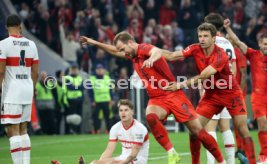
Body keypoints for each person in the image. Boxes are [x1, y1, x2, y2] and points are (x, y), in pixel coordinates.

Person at [80, 32, 225, 164]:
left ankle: (221, 161)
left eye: (123, 49)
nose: (122, 52)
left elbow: (155, 51)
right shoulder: (132, 55)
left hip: (173, 94)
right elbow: (114, 51)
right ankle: (171, 152)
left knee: (198, 132)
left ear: (130, 43)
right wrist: (95, 42)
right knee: (150, 116)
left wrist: (152, 59)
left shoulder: (143, 48)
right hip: (157, 98)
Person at [144, 22, 256, 164]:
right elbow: (172, 55)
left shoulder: (220, 55)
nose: (202, 39)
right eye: (200, 36)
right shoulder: (195, 48)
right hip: (211, 96)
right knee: (194, 130)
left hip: (231, 94)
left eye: (205, 36)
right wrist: (153, 51)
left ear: (213, 38)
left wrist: (180, 85)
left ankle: (252, 161)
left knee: (242, 129)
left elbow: (204, 76)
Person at [224, 18, 267, 162]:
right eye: (265, 44)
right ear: (260, 44)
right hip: (258, 96)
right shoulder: (253, 54)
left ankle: (265, 153)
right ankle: (264, 154)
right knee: (263, 123)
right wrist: (228, 28)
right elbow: (238, 42)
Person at [0, 14, 39, 164]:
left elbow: (1, 70)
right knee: (24, 129)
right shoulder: (32, 44)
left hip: (12, 91)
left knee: (12, 131)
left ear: (6, 27)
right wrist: (32, 87)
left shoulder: (4, 44)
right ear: (20, 25)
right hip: (27, 89)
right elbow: (35, 71)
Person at [203, 13, 236, 164]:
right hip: (228, 89)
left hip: (213, 90)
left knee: (210, 129)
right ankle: (230, 162)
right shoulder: (229, 44)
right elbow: (233, 69)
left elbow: (206, 69)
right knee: (225, 127)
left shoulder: (211, 44)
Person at [87, 99, 149, 164]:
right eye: (121, 110)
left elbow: (134, 154)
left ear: (132, 112)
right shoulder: (115, 128)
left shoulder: (139, 128)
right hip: (123, 157)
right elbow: (109, 150)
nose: (123, 113)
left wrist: (121, 163)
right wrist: (101, 162)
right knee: (94, 162)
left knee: (112, 163)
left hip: (138, 159)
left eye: (126, 110)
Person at [89, 63, 113, 134]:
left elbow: (110, 89)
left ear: (103, 70)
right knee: (96, 116)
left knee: (107, 116)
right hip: (97, 100)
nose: (99, 71)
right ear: (96, 70)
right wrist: (92, 100)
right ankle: (97, 129)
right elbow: (90, 91)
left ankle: (109, 130)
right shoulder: (92, 79)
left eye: (101, 69)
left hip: (106, 100)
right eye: (98, 69)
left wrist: (111, 99)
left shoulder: (107, 78)